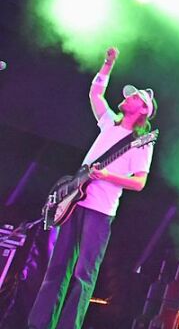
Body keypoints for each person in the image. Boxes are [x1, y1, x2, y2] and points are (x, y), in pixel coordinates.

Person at [28, 46, 157, 329]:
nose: (127, 98)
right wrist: (107, 65)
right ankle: (38, 325)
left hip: (100, 211)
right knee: (56, 269)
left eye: (134, 97)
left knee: (84, 274)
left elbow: (139, 182)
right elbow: (95, 94)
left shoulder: (141, 143)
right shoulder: (110, 122)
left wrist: (108, 175)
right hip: (75, 202)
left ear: (144, 109)